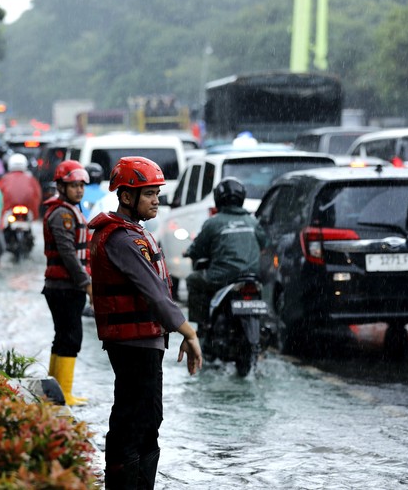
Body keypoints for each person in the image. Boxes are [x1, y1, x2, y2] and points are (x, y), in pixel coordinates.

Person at [88, 156, 202, 488]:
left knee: (149, 420)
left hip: (145, 341)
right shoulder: (122, 239)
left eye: (157, 193)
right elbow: (154, 292)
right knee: (133, 421)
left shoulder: (135, 233)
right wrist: (188, 331)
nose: (157, 200)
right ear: (126, 196)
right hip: (133, 343)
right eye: (149, 193)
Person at [184, 177, 266, 328]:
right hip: (253, 275)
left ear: (218, 199)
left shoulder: (213, 222)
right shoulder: (252, 221)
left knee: (192, 279)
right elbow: (263, 244)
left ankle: (203, 325)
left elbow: (198, 248)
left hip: (222, 276)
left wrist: (188, 252)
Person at [42, 160, 92, 406]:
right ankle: (64, 393)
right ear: (61, 187)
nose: (79, 190)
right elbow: (68, 254)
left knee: (62, 336)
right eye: (74, 186)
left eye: (81, 185)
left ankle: (55, 390)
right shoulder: (63, 214)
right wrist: (86, 283)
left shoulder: (68, 210)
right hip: (65, 288)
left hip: (62, 287)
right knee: (71, 337)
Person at [0, 153, 42, 227]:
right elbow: (38, 195)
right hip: (25, 211)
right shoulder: (31, 179)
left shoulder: (4, 179)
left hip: (10, 211)